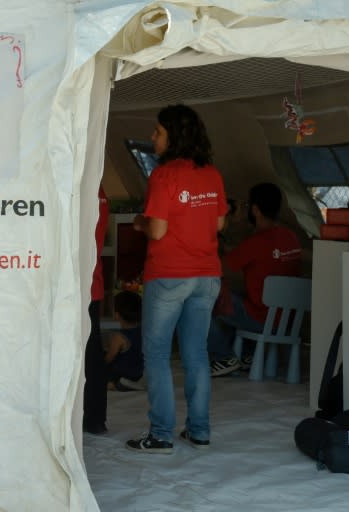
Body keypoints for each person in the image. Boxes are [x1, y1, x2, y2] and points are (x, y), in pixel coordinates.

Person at [126, 104, 227, 454]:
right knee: (196, 353)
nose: (153, 137)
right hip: (207, 275)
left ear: (174, 136)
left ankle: (161, 435)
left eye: (158, 132)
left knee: (155, 354)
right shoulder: (211, 173)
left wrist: (139, 221)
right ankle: (199, 431)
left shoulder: (164, 175)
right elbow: (219, 223)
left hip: (169, 274)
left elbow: (157, 229)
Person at [207, 182, 302, 376]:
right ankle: (247, 355)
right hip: (289, 320)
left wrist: (224, 226)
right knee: (244, 296)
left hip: (262, 320)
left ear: (256, 210)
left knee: (200, 296)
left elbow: (215, 268)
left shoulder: (254, 244)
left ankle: (223, 357)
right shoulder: (291, 237)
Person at [83, 181, 110, 434]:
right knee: (93, 351)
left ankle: (85, 416)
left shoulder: (78, 186)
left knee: (82, 353)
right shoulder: (98, 190)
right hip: (93, 282)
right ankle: (95, 418)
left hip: (75, 284)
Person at [105, 290, 144, 391]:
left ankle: (113, 384)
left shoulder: (119, 337)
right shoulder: (143, 330)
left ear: (117, 315)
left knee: (106, 366)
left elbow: (110, 357)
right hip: (139, 372)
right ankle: (131, 383)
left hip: (122, 373)